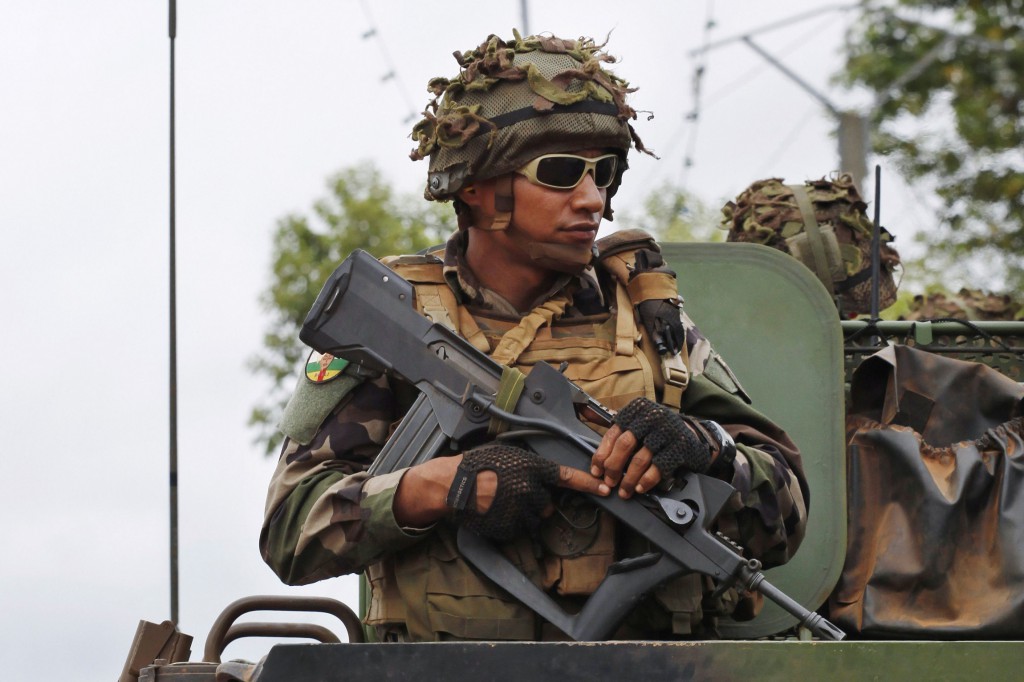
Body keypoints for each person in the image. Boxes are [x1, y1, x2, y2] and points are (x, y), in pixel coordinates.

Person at [261, 30, 808, 641]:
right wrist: (438, 488)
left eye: (604, 174)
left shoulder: (651, 322)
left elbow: (786, 514)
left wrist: (707, 448)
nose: (592, 200)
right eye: (561, 173)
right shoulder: (399, 315)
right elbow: (291, 530)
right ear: (477, 184)